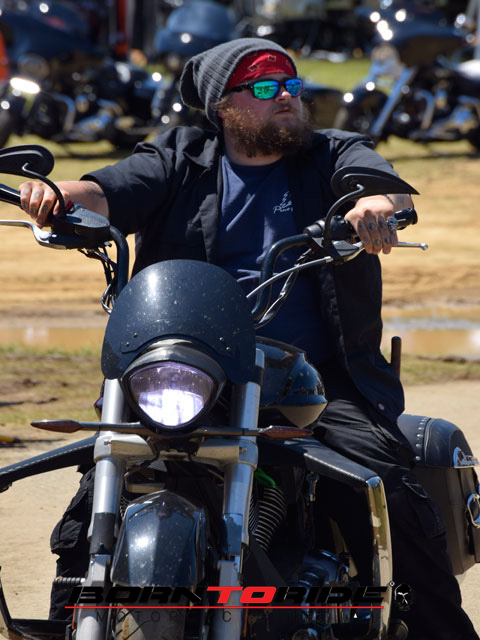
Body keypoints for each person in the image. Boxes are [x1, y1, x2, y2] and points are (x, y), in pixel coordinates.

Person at [19, 38, 478, 640]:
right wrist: (56, 197)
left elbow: (375, 183)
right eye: (264, 87)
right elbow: (107, 191)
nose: (285, 96)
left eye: (291, 85)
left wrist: (372, 207)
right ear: (224, 106)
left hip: (315, 379)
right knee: (96, 495)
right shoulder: (179, 157)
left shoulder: (330, 154)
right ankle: (73, 621)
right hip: (190, 370)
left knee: (384, 486)